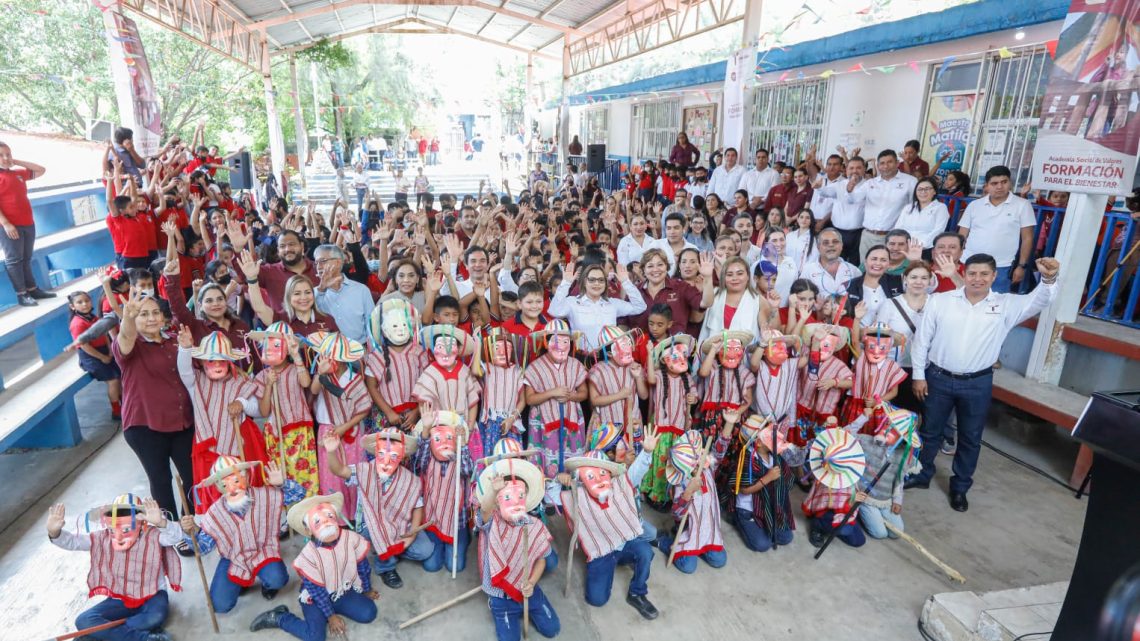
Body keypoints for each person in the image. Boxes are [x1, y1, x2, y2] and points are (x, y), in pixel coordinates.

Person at [907, 255, 1061, 512]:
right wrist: (919, 376)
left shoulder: (1005, 304)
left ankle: (960, 487)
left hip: (977, 383)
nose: (977, 279)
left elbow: (1041, 299)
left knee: (970, 437)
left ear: (993, 277)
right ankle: (922, 474)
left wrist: (1048, 279)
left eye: (984, 274)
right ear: (963, 274)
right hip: (938, 378)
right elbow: (922, 340)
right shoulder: (940, 301)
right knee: (930, 431)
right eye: (972, 274)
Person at [113, 288, 196, 556]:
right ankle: (173, 532)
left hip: (182, 421)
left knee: (191, 476)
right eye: (143, 314)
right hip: (144, 426)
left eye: (155, 313)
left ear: (163, 317)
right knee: (160, 480)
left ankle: (191, 525)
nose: (150, 318)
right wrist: (128, 318)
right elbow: (125, 337)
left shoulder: (174, 340)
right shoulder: (130, 345)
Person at [556, 425, 663, 620]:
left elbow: (636, 472)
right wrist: (558, 480)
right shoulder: (576, 494)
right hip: (602, 551)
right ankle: (610, 566)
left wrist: (647, 452)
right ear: (581, 477)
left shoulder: (619, 483)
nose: (598, 479)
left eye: (602, 473)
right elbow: (547, 495)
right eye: (590, 475)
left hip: (624, 542)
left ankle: (637, 592)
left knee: (646, 552)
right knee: (596, 600)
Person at [47, 496, 183, 641]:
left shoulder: (153, 535)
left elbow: (175, 537)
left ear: (141, 521)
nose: (118, 536)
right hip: (120, 599)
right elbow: (73, 542)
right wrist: (55, 533)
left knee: (154, 617)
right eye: (113, 529)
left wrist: (162, 523)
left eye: (125, 528)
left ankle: (100, 635)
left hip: (152, 596)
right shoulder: (102, 538)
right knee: (83, 620)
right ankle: (145, 638)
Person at [250, 493, 379, 640]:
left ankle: (331, 610)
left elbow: (363, 567)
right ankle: (280, 617)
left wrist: (366, 590)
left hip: (341, 590)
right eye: (317, 521)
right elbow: (316, 591)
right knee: (316, 638)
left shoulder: (351, 538)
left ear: (336, 518)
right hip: (316, 598)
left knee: (369, 612)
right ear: (309, 530)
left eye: (329, 516)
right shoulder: (308, 556)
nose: (326, 522)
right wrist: (331, 616)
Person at [322, 428, 432, 588]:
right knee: (382, 532)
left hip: (401, 526)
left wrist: (412, 535)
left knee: (425, 550)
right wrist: (331, 451)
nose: (386, 461)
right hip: (371, 527)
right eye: (382, 454)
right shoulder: (364, 470)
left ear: (403, 456)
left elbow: (418, 506)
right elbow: (338, 470)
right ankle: (386, 566)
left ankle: (390, 551)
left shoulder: (411, 480)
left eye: (394, 456)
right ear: (375, 452)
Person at [181, 457, 293, 611]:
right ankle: (241, 581)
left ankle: (268, 584)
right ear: (218, 487)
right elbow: (203, 549)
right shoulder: (214, 513)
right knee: (219, 606)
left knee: (278, 579)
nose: (232, 489)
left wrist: (282, 484)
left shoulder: (265, 495)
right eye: (224, 484)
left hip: (263, 551)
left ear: (246, 476)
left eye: (236, 480)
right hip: (234, 558)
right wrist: (191, 532)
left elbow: (298, 496)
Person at [475, 453, 560, 641]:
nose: (515, 501)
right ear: (497, 501)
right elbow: (485, 512)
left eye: (520, 495)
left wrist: (531, 582)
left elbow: (542, 560)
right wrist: (492, 491)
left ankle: (535, 597)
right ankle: (497, 606)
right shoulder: (493, 522)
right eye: (507, 496)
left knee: (553, 629)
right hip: (501, 597)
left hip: (527, 589)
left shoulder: (535, 525)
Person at [717, 409, 795, 552]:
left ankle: (764, 523)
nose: (773, 437)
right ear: (758, 443)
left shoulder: (774, 454)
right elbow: (744, 489)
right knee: (762, 545)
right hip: (749, 510)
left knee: (786, 537)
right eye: (769, 435)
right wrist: (767, 478)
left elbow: (787, 481)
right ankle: (738, 519)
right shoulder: (746, 460)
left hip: (769, 507)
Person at [410, 409, 475, 573]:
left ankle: (462, 538)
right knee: (431, 566)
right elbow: (418, 462)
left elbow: (468, 471)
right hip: (434, 519)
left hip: (455, 521)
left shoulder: (459, 457)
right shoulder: (428, 460)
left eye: (449, 438)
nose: (444, 442)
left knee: (456, 566)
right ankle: (440, 541)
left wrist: (462, 445)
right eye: (437, 439)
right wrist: (425, 430)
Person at [655, 429, 728, 573]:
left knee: (719, 560)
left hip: (707, 530)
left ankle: (701, 546)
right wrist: (688, 492)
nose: (696, 466)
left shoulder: (708, 468)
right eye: (691, 466)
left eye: (696, 461)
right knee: (688, 567)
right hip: (690, 530)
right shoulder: (680, 484)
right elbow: (677, 514)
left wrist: (729, 424)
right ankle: (665, 542)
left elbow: (719, 452)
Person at [957, 166, 1037, 294]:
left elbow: (1027, 238)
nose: (999, 186)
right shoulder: (974, 205)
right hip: (968, 263)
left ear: (1010, 183)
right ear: (987, 186)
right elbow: (962, 235)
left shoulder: (1023, 205)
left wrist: (1021, 266)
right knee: (964, 301)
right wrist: (957, 260)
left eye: (1004, 182)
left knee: (994, 307)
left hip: (1002, 266)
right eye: (994, 183)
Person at [548, 262, 646, 350]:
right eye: (592, 280)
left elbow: (640, 307)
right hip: (583, 358)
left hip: (609, 358)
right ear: (584, 282)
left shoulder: (612, 304)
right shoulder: (573, 302)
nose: (597, 283)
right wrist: (566, 283)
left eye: (601, 280)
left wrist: (626, 282)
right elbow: (554, 311)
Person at [0, 142, 49, 306]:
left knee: (26, 258)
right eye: (1, 155)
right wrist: (6, 223)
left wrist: (16, 161)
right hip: (9, 226)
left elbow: (41, 170)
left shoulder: (17, 173)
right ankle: (22, 294)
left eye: (8, 154)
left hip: (28, 222)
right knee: (14, 260)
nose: (5, 158)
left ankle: (32, 289)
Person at [69, 291, 122, 419]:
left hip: (104, 350)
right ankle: (116, 411)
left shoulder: (94, 318)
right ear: (72, 306)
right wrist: (102, 357)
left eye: (86, 301)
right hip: (91, 356)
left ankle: (125, 404)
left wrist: (110, 350)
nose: (84, 304)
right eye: (79, 302)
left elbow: (104, 334)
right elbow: (84, 346)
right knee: (113, 380)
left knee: (120, 376)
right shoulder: (77, 323)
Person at [859, 150, 917, 261]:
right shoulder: (870, 183)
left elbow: (913, 208)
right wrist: (850, 187)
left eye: (889, 162)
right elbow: (853, 199)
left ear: (897, 162)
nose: (885, 166)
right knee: (865, 268)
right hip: (868, 235)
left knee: (889, 269)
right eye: (882, 163)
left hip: (892, 239)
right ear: (877, 165)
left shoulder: (910, 181)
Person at [812, 156, 869, 266]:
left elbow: (854, 199)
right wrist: (819, 188)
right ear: (846, 169)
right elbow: (826, 192)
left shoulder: (868, 185)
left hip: (858, 233)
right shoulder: (840, 184)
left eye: (858, 168)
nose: (854, 171)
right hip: (837, 231)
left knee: (854, 263)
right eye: (851, 168)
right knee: (835, 262)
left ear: (864, 169)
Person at [313, 244, 373, 345]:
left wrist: (371, 350)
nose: (319, 267)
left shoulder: (361, 290)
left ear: (338, 262)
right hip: (327, 353)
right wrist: (322, 289)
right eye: (316, 263)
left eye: (323, 261)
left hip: (360, 351)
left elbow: (372, 324)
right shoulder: (313, 293)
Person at [798, 228, 860, 297]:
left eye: (835, 241)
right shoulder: (808, 271)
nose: (831, 245)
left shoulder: (854, 271)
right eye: (825, 243)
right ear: (818, 247)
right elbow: (800, 298)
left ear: (841, 246)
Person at [896, 177, 950, 249]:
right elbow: (898, 228)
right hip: (904, 247)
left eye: (927, 189)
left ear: (934, 191)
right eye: (920, 189)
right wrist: (901, 244)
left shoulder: (941, 208)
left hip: (926, 248)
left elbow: (938, 231)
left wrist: (920, 246)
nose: (923, 192)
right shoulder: (908, 207)